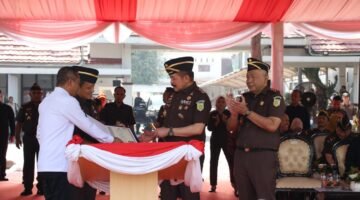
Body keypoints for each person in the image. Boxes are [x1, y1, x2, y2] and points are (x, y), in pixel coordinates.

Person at [36, 66, 120, 200]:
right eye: (77, 82)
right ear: (70, 82)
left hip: (44, 166)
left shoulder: (45, 101)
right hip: (61, 167)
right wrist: (111, 140)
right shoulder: (68, 101)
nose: (77, 87)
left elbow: (39, 134)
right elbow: (87, 125)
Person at [141, 56, 211, 200]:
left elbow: (198, 128)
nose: (171, 82)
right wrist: (152, 133)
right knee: (167, 194)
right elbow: (164, 123)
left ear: (186, 78)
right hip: (167, 154)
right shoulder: (173, 96)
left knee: (188, 194)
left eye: (174, 78)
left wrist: (169, 131)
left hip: (187, 156)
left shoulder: (200, 97)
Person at [226, 57, 285, 200]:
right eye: (247, 77)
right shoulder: (244, 98)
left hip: (262, 157)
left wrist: (247, 112)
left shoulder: (275, 98)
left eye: (253, 77)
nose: (249, 80)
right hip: (241, 156)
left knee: (264, 196)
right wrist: (234, 114)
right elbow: (230, 129)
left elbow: (272, 125)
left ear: (265, 78)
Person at [69, 66, 103, 199]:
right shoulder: (72, 105)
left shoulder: (90, 104)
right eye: (88, 88)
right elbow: (72, 134)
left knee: (89, 193)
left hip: (91, 157)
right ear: (77, 86)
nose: (92, 91)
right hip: (77, 158)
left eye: (93, 87)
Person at [15, 83, 43, 196]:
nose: (36, 95)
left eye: (38, 93)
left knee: (42, 164)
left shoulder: (46, 106)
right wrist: (17, 137)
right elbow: (19, 123)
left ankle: (42, 187)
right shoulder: (25, 107)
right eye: (34, 93)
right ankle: (27, 187)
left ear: (42, 94)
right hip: (29, 138)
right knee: (28, 163)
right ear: (30, 94)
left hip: (43, 139)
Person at [207, 96, 235, 193]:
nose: (221, 103)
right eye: (219, 101)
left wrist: (225, 121)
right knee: (213, 162)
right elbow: (209, 128)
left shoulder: (228, 113)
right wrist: (216, 123)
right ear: (216, 103)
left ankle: (234, 183)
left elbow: (231, 128)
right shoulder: (212, 114)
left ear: (226, 104)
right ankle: (213, 185)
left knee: (231, 161)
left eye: (223, 101)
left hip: (226, 140)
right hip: (215, 140)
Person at [0, 89, 15, 181]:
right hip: (3, 134)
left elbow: (12, 122)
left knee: (2, 154)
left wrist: (12, 134)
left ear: (1, 96)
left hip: (3, 135)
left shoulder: (7, 108)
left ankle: (1, 174)